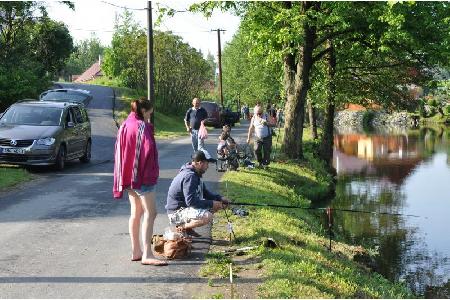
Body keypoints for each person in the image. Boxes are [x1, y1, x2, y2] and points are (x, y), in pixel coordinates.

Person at [113, 98, 167, 266]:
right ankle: (147, 254)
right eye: (150, 113)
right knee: (151, 213)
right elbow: (149, 150)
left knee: (136, 213)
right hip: (142, 177)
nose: (150, 116)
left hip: (128, 176)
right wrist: (152, 172)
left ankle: (136, 251)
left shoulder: (123, 125)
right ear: (144, 111)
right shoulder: (142, 126)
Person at [165, 150, 231, 237]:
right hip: (175, 213)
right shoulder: (190, 176)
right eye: (207, 164)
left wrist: (220, 199)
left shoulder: (195, 174)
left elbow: (205, 193)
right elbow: (191, 202)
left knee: (213, 207)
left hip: (183, 209)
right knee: (207, 216)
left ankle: (187, 228)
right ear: (200, 163)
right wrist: (212, 203)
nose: (208, 167)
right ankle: (182, 227)